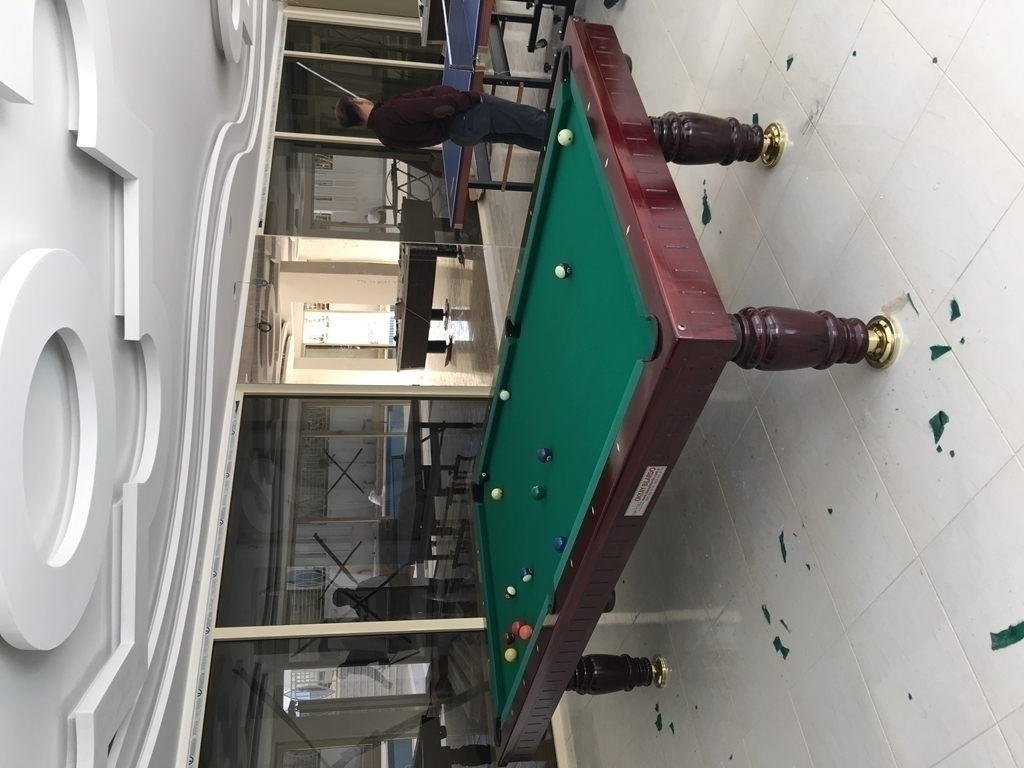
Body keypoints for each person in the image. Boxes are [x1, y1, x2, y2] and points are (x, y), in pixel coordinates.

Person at [334, 85, 548, 151]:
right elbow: (435, 108)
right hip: (466, 115)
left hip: (459, 135)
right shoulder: (389, 112)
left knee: (516, 135)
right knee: (524, 119)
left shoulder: (385, 138)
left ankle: (553, 150)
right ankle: (560, 129)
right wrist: (470, 98)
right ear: (357, 102)